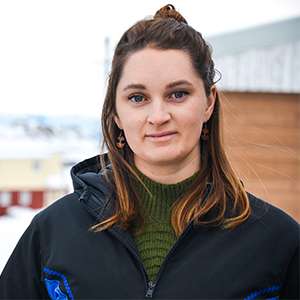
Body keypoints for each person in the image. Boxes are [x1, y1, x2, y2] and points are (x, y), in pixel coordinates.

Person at [0, 4, 299, 299]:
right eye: (138, 97)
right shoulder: (54, 231)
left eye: (178, 94)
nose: (158, 116)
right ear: (115, 113)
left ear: (208, 102)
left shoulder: (278, 242)